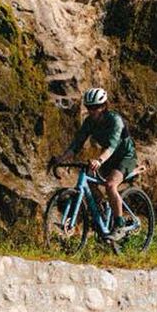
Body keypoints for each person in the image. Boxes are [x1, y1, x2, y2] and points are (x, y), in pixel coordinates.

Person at [54, 87, 136, 233]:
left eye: (95, 107)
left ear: (104, 106)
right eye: (89, 107)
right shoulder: (89, 122)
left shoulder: (115, 120)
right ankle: (103, 209)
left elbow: (111, 146)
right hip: (108, 159)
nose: (92, 110)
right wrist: (61, 159)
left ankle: (119, 223)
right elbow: (76, 144)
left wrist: (99, 160)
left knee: (110, 185)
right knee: (90, 181)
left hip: (125, 157)